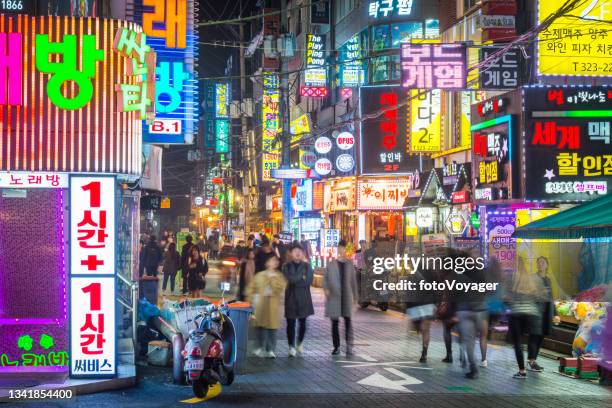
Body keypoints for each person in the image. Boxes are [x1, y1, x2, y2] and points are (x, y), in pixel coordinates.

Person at [507, 257, 545, 379]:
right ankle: (532, 360)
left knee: (518, 343)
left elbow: (506, 297)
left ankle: (522, 371)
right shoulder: (533, 279)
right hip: (532, 313)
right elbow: (540, 296)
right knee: (532, 339)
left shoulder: (511, 277)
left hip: (517, 313)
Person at [247, 256, 287, 358]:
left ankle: (270, 349)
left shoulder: (279, 276)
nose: (273, 263)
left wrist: (272, 280)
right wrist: (250, 300)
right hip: (260, 305)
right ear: (266, 263)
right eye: (271, 260)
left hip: (273, 306)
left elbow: (280, 288)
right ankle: (258, 347)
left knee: (272, 328)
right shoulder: (259, 275)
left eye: (275, 261)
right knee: (259, 327)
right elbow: (251, 288)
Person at [324, 240, 358, 356]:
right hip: (335, 297)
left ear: (345, 250)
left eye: (342, 248)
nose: (341, 250)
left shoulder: (349, 264)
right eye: (339, 248)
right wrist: (326, 289)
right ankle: (336, 346)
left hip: (346, 296)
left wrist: (356, 297)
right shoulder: (331, 264)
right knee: (335, 322)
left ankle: (349, 346)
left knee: (348, 322)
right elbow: (326, 279)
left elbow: (353, 281)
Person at [282, 244, 315, 357]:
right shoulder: (286, 266)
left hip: (304, 299)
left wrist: (297, 278)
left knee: (303, 323)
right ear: (291, 253)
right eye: (295, 250)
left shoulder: (307, 266)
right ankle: (291, 346)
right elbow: (290, 279)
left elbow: (308, 281)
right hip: (291, 298)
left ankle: (299, 342)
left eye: (299, 251)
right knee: (290, 323)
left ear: (302, 253)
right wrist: (301, 276)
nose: (297, 253)